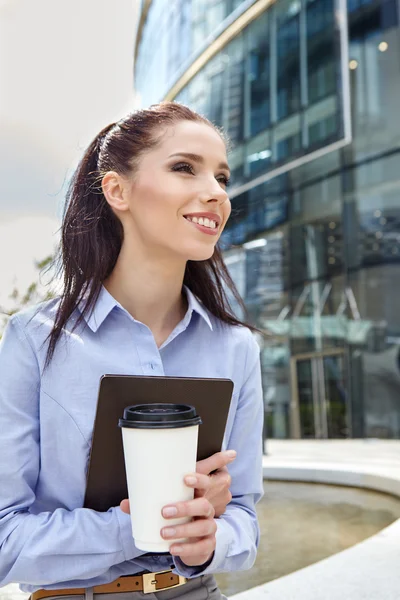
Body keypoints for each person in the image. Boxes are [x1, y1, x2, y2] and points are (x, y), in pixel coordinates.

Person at [0, 102, 264, 600]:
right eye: (185, 167)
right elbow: (3, 537)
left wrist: (208, 541)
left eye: (222, 177)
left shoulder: (236, 348)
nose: (216, 193)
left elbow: (245, 521)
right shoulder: (33, 340)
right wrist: (150, 524)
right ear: (117, 190)